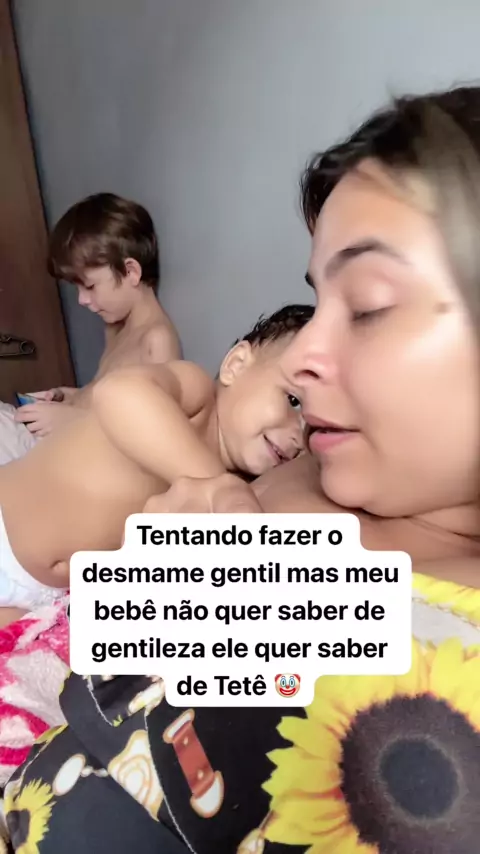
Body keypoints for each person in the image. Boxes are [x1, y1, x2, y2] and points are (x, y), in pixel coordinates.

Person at [6, 84, 480, 854]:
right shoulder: (320, 465)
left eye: (366, 303)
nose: (310, 357)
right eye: (318, 302)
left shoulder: (440, 675)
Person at [0, 304, 311, 619]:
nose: (299, 437)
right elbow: (118, 393)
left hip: (44, 592)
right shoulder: (197, 395)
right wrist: (214, 482)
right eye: (294, 400)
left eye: (315, 429)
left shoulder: (246, 490)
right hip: (7, 522)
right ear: (237, 364)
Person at [14, 192, 182, 439]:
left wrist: (73, 419)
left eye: (90, 286)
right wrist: (68, 397)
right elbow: (102, 397)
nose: (81, 300)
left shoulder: (157, 341)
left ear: (131, 272)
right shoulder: (115, 327)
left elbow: (155, 431)